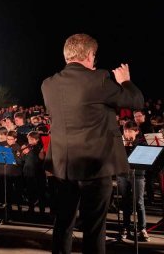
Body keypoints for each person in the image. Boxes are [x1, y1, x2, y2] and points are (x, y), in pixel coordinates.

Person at [41, 33, 144, 254]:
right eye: (94, 56)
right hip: (95, 168)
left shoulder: (48, 85)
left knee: (62, 225)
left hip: (62, 168)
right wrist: (125, 80)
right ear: (90, 55)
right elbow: (136, 101)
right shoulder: (98, 79)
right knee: (94, 229)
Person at [119, 120, 150, 242]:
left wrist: (132, 147)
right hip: (122, 174)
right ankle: (126, 227)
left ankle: (142, 228)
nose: (127, 134)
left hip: (138, 175)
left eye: (130, 131)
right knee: (125, 201)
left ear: (136, 131)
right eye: (125, 131)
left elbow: (144, 159)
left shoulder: (142, 143)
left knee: (139, 202)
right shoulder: (121, 143)